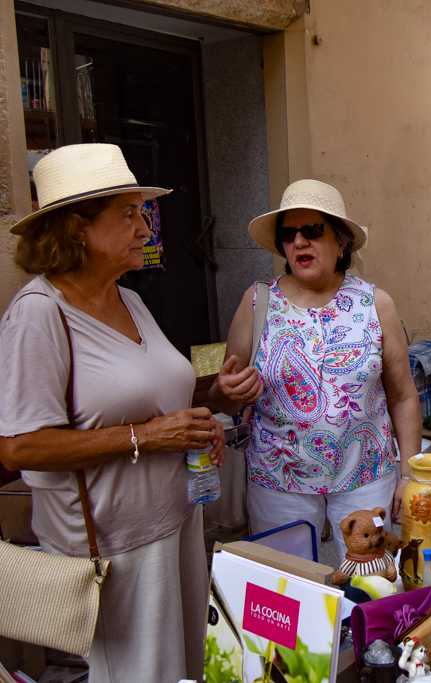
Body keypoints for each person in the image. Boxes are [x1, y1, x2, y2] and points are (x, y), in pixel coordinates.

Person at [0, 143, 225, 682]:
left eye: (142, 213)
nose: (145, 229)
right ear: (77, 229)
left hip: (175, 521)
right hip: (114, 547)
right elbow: (20, 446)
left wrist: (204, 416)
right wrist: (148, 436)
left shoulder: (131, 300)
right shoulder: (39, 315)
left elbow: (155, 399)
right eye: (128, 214)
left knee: (185, 668)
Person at [211, 179, 421, 558]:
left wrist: (409, 474)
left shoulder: (375, 304)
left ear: (341, 242)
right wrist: (226, 393)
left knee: (369, 585)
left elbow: (403, 396)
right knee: (287, 588)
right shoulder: (257, 303)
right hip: (278, 483)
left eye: (312, 230)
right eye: (289, 234)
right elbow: (226, 398)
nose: (299, 242)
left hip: (365, 479)